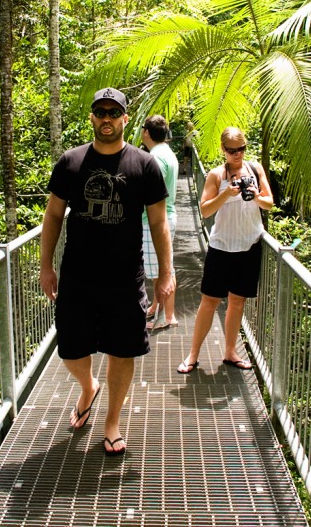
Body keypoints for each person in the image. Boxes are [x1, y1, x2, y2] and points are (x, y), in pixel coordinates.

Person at [39, 88, 174, 456]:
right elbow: (52, 215)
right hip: (77, 277)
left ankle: (112, 421)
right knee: (71, 351)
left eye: (114, 112)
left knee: (122, 350)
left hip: (124, 278)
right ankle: (87, 387)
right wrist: (45, 265)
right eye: (100, 111)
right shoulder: (71, 161)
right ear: (92, 117)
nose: (107, 118)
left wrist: (166, 272)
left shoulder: (144, 166)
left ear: (126, 119)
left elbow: (159, 222)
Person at [177, 126, 273, 374]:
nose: (237, 155)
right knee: (209, 301)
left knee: (237, 301)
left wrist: (255, 195)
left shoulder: (255, 169)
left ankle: (230, 352)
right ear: (223, 150)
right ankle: (193, 355)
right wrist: (226, 194)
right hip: (221, 247)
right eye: (232, 151)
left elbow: (269, 203)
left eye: (241, 149)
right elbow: (205, 210)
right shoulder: (216, 175)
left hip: (249, 245)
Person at [140, 115, 179, 329]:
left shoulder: (154, 158)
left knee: (162, 269)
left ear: (147, 132)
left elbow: (154, 191)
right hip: (167, 215)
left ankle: (167, 316)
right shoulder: (166, 152)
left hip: (156, 219)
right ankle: (157, 307)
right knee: (161, 264)